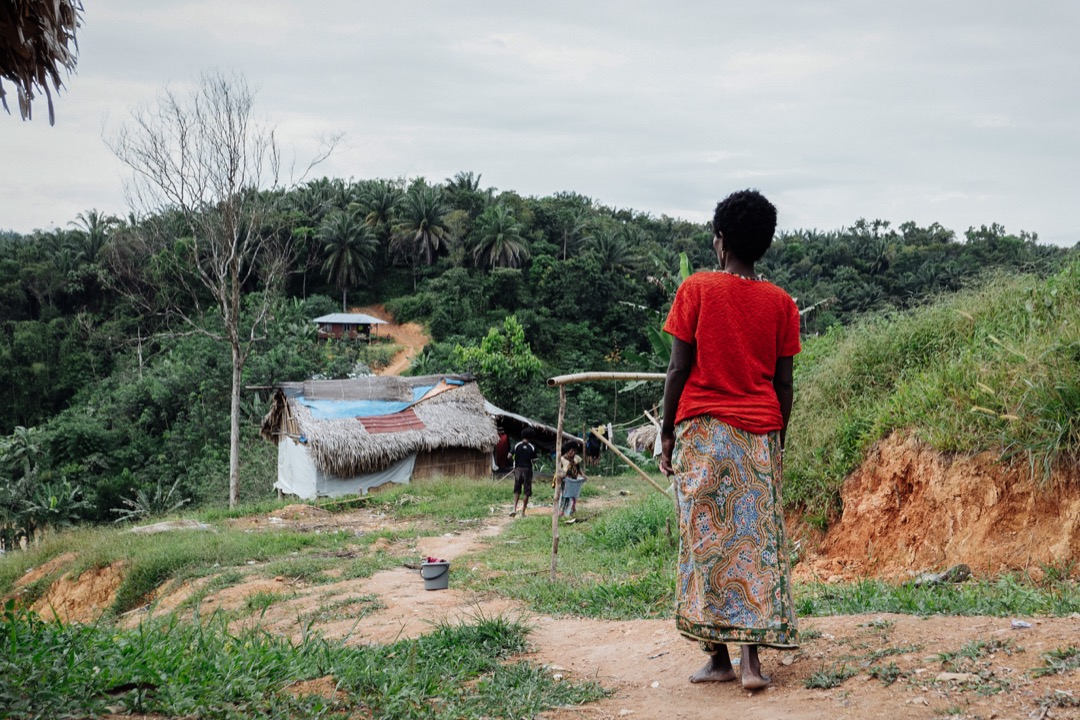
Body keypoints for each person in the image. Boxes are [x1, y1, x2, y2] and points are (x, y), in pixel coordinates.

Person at [659, 189, 800, 691]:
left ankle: (717, 658)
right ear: (762, 244)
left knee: (706, 543)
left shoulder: (696, 289)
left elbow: (678, 368)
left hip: (703, 429)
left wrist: (666, 431)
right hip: (759, 434)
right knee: (752, 545)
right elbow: (784, 383)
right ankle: (752, 665)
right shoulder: (782, 304)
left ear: (720, 242)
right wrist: (776, 435)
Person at [510, 428, 538, 517]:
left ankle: (514, 509)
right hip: (527, 470)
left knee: (517, 490)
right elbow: (534, 460)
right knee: (527, 491)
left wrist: (515, 461)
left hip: (518, 469)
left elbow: (509, 455)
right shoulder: (532, 447)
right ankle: (523, 512)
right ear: (531, 437)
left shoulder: (517, 445)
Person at [557, 445, 586, 517]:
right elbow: (559, 469)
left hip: (574, 479)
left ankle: (572, 508)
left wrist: (583, 475)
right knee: (565, 495)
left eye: (573, 451)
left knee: (573, 494)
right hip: (566, 480)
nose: (572, 453)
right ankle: (562, 510)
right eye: (570, 451)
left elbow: (578, 468)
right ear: (567, 451)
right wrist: (561, 475)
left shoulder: (576, 458)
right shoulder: (562, 459)